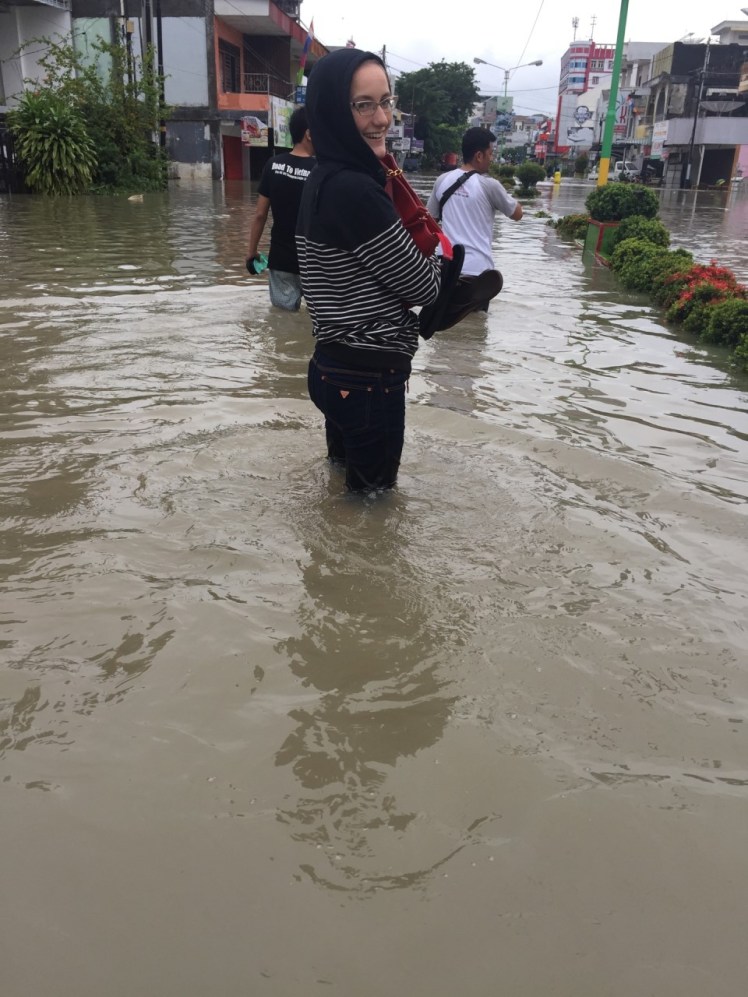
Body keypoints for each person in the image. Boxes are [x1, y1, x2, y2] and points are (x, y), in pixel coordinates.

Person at [297, 48, 448, 493]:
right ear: (333, 111)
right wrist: (437, 254)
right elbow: (424, 287)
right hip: (367, 381)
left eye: (385, 102)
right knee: (373, 508)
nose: (382, 119)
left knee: (342, 494)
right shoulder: (357, 192)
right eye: (364, 105)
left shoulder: (321, 178)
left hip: (332, 369)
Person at [427, 127, 522, 311]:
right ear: (479, 155)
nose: (492, 158)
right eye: (490, 153)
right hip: (477, 275)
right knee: (476, 326)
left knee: (442, 322)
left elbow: (430, 222)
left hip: (444, 268)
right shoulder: (490, 185)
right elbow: (517, 214)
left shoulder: (442, 180)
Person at [246, 106, 315, 311]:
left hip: (281, 259)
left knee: (284, 319)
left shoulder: (273, 165)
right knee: (316, 321)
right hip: (315, 262)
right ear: (309, 134)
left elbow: (260, 215)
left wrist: (251, 252)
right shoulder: (321, 170)